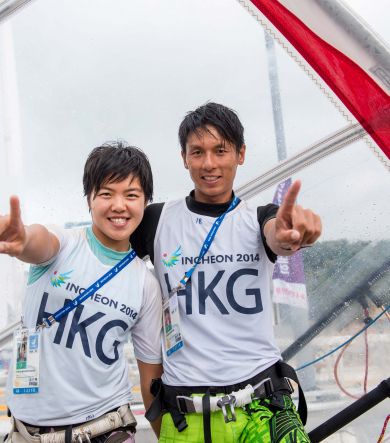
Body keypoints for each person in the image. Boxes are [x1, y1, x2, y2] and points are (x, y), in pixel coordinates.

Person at [132, 103, 322, 443]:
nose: (209, 164)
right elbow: (103, 251)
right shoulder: (157, 220)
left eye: (221, 151)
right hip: (186, 417)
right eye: (198, 152)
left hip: (264, 408)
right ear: (184, 157)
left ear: (241, 154)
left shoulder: (259, 216)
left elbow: (276, 235)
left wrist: (288, 236)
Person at [0, 142, 164, 443]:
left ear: (146, 201)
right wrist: (20, 237)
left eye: (131, 195)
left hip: (106, 429)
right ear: (89, 199)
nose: (119, 205)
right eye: (106, 194)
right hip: (27, 433)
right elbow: (38, 241)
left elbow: (151, 378)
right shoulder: (64, 244)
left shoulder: (146, 285)